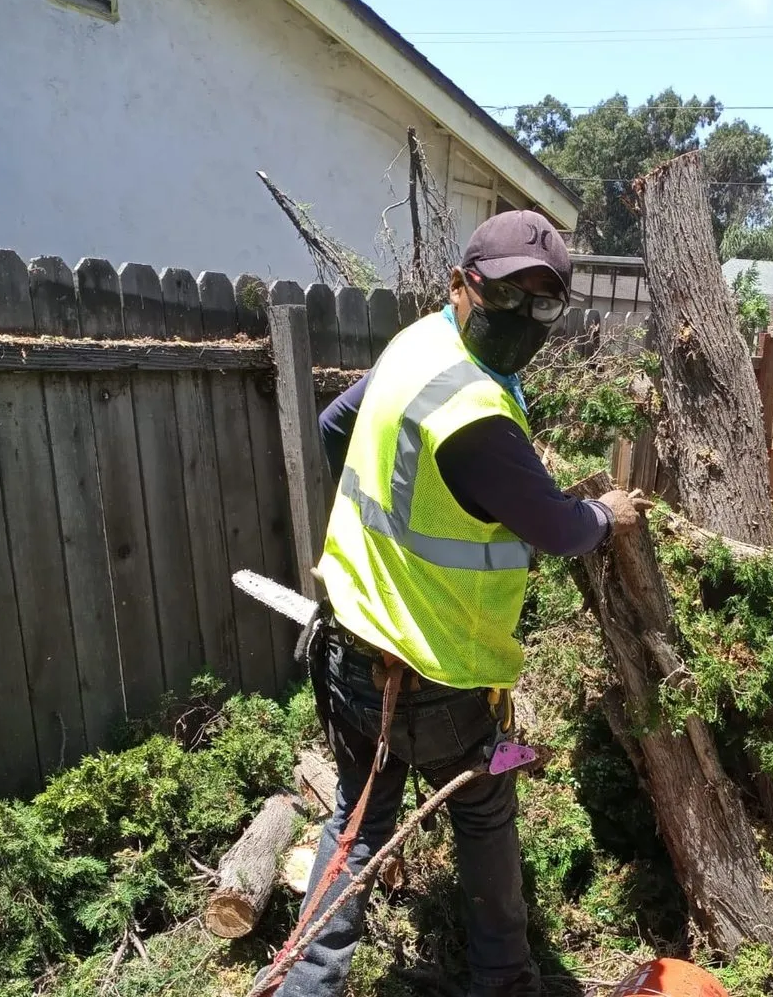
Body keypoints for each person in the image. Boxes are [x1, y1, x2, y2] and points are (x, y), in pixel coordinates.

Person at [274, 211, 652, 997]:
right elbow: (556, 527)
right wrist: (605, 516)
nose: (524, 318)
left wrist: (397, 538)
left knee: (355, 825)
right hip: (439, 677)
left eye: (544, 304)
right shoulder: (475, 417)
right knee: (483, 815)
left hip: (351, 649)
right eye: (508, 296)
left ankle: (308, 984)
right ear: (461, 284)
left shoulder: (418, 345)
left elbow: (334, 425)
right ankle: (504, 982)